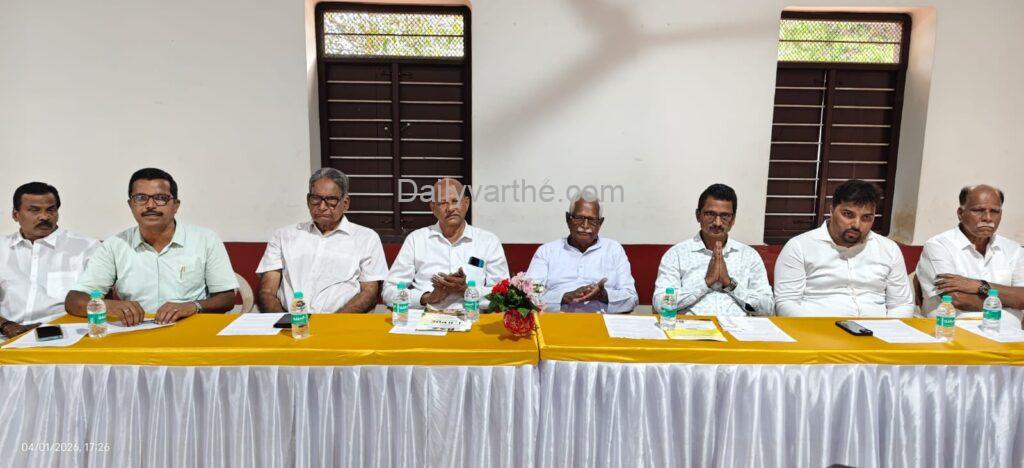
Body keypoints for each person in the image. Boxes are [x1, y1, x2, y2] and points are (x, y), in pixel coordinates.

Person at [66, 168, 238, 325]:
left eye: (161, 198)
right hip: (135, 331)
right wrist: (109, 306)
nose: (150, 205)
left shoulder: (205, 239)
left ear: (176, 205)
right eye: (140, 198)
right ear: (131, 205)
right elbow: (74, 300)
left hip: (190, 328)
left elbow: (227, 298)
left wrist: (193, 306)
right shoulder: (114, 245)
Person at [775, 179, 914, 317]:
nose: (856, 224)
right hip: (818, 327)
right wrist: (814, 328)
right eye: (848, 214)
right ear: (831, 210)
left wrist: (890, 328)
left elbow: (901, 304)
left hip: (877, 328)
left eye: (866, 217)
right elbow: (787, 303)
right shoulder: (800, 246)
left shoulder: (889, 249)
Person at [256, 168, 387, 313]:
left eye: (331, 200)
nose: (322, 207)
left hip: (341, 322)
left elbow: (369, 292)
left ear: (345, 203)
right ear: (308, 201)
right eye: (316, 199)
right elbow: (267, 292)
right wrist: (284, 321)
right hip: (291, 320)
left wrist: (333, 323)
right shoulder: (284, 236)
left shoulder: (366, 238)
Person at [383, 178, 509, 310]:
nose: (450, 208)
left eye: (455, 201)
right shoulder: (416, 240)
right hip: (424, 318)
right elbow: (389, 291)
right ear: (432, 207)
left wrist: (466, 291)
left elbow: (504, 294)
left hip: (472, 318)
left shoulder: (488, 242)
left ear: (466, 203)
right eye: (443, 203)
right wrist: (426, 297)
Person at [653, 183, 773, 316]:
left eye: (725, 216)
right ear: (698, 215)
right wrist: (706, 282)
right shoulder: (677, 254)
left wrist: (729, 284)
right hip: (691, 327)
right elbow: (660, 303)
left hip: (738, 327)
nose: (717, 223)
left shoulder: (748, 256)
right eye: (710, 214)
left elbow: (767, 307)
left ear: (733, 219)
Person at [917, 185, 1024, 325]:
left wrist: (980, 285)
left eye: (994, 211)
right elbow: (956, 298)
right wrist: (1010, 299)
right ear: (960, 213)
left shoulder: (1013, 249)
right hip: (952, 332)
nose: (987, 218)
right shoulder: (939, 246)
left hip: (1008, 334)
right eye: (978, 210)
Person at [0, 182, 98, 337]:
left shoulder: (85, 248)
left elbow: (97, 300)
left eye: (50, 210)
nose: (44, 217)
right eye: (34, 210)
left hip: (66, 336)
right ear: (15, 214)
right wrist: (5, 325)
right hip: (6, 335)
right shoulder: (2, 248)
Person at [526, 192, 638, 313]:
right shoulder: (547, 252)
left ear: (600, 223)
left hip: (601, 321)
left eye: (592, 220)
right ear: (568, 219)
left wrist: (604, 295)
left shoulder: (613, 250)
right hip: (558, 320)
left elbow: (631, 298)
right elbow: (530, 294)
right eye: (579, 218)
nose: (585, 225)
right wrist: (563, 297)